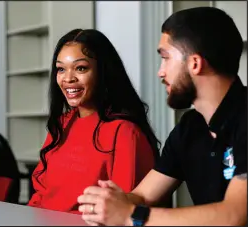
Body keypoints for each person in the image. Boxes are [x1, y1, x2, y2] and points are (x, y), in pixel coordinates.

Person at [77, 6, 247, 226]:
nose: (161, 71)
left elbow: (234, 216)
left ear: (194, 63)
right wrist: (111, 204)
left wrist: (130, 215)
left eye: (165, 58)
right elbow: (143, 196)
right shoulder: (190, 126)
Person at [27, 28, 161, 214]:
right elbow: (40, 194)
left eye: (81, 68)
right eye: (61, 69)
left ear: (103, 72)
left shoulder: (124, 132)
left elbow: (123, 210)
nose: (68, 79)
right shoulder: (62, 124)